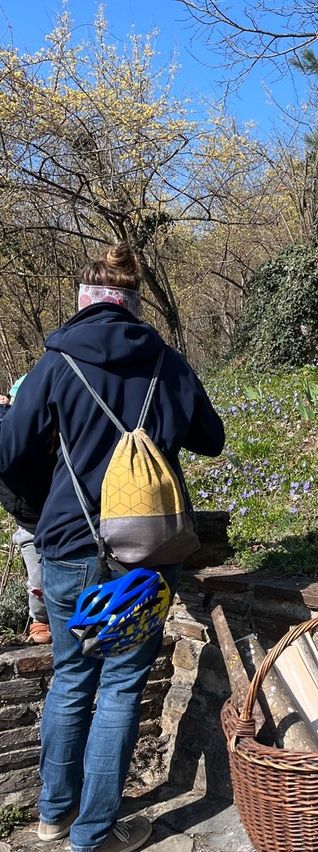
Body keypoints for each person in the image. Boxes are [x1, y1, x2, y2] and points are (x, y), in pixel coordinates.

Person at [0, 243, 225, 852]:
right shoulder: (167, 363)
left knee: (72, 679)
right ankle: (95, 833)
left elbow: (8, 454)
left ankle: (54, 816)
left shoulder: (54, 365)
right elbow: (212, 438)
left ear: (82, 303)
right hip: (145, 555)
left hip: (69, 546)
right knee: (123, 686)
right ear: (132, 303)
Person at [0, 374, 52, 643]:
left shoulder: (52, 429)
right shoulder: (8, 430)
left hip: (61, 515)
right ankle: (40, 620)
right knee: (38, 579)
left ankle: (55, 619)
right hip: (30, 519)